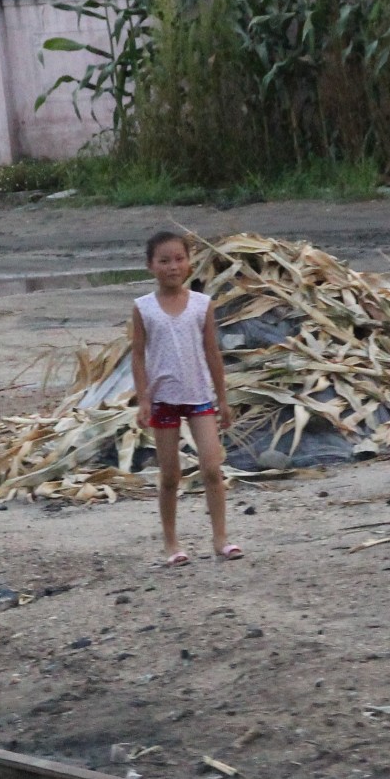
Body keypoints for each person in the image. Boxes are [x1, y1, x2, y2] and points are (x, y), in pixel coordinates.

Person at [130, 231, 239, 567]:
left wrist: (222, 399)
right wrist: (144, 399)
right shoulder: (143, 308)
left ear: (189, 262)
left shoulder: (201, 304)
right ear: (151, 266)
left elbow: (212, 352)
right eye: (164, 260)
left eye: (179, 259)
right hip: (163, 400)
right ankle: (171, 543)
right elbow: (137, 356)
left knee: (211, 467)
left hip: (199, 397)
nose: (172, 267)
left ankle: (220, 538)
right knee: (169, 476)